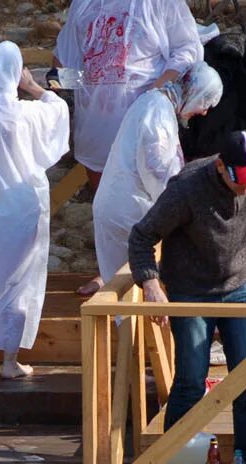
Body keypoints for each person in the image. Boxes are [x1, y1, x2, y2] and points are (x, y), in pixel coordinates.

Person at [128, 129, 246, 464]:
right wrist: (152, 287)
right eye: (240, 179)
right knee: (190, 381)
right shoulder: (186, 187)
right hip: (190, 289)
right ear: (220, 168)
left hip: (241, 284)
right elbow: (141, 237)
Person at [0, 41, 70, 379]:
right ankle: (9, 361)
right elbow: (59, 110)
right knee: (19, 282)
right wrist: (33, 86)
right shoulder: (28, 113)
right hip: (19, 208)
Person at [87, 60, 223, 296]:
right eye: (204, 103)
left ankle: (130, 332)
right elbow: (156, 169)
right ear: (194, 92)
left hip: (120, 206)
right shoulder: (158, 112)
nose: (204, 111)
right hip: (128, 211)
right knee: (127, 297)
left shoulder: (154, 102)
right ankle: (130, 334)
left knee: (125, 298)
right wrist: (181, 210)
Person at [54, 0, 202, 195]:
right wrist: (89, 85)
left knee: (153, 206)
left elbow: (188, 48)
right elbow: (64, 60)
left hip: (146, 131)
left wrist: (155, 93)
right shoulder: (83, 3)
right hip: (95, 132)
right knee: (106, 206)